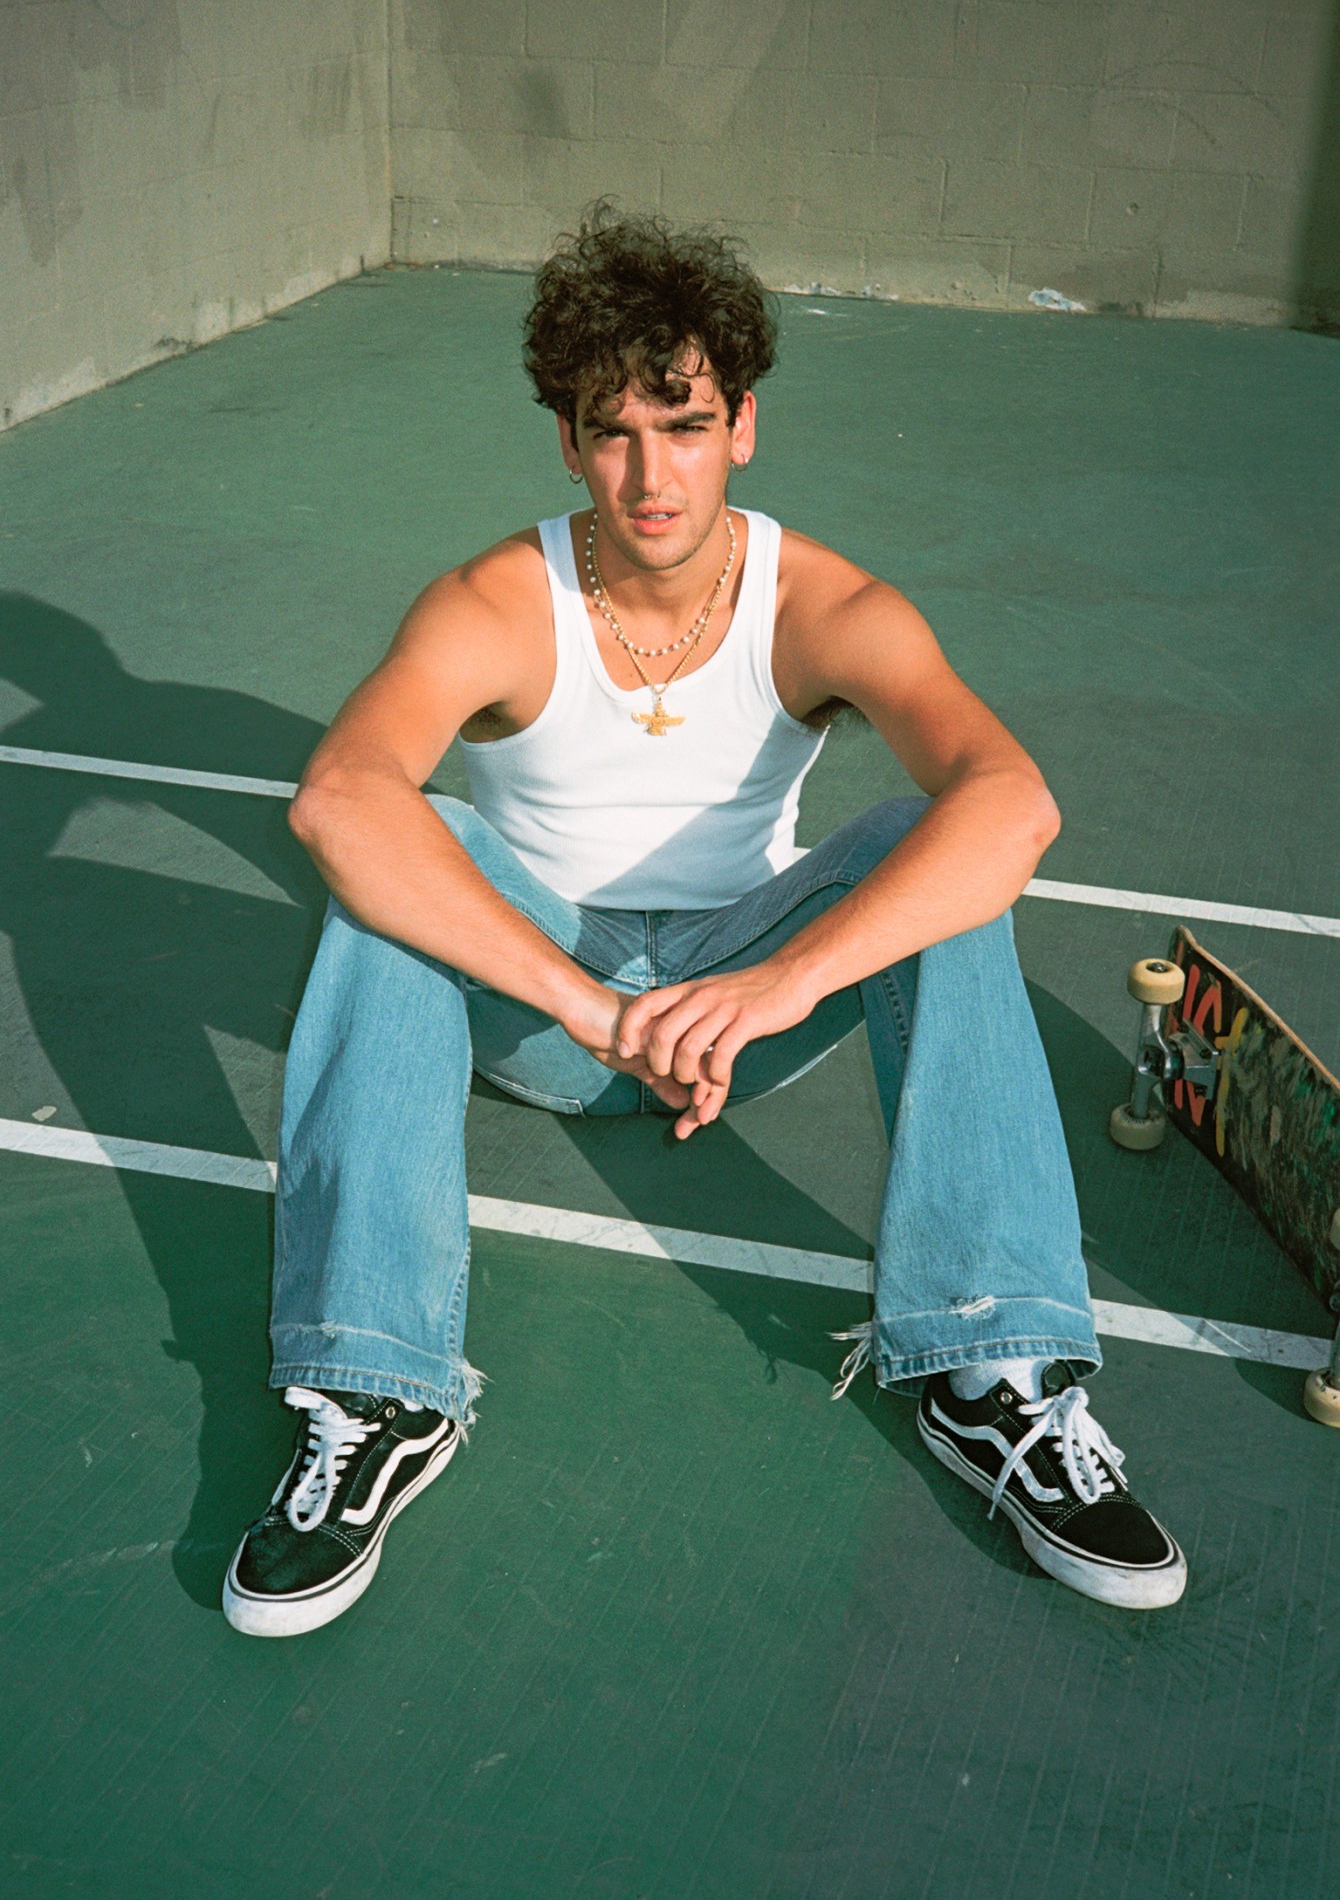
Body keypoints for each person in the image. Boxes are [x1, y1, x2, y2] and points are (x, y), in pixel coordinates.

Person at [223, 204, 1186, 1636]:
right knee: (402, 846)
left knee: (947, 847)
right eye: (610, 431)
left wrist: (785, 982)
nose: (647, 473)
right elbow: (336, 802)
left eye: (680, 424)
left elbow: (1015, 804)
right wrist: (587, 1003)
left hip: (746, 1002)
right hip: (545, 1003)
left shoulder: (824, 603)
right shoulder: (499, 600)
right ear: (566, 441)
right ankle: (377, 1388)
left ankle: (995, 1375)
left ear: (743, 422)